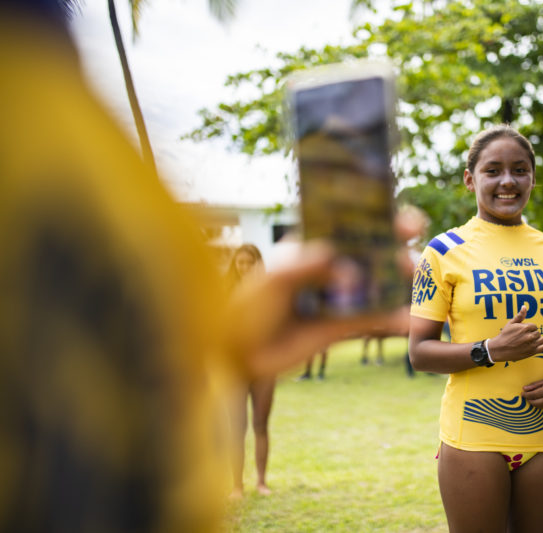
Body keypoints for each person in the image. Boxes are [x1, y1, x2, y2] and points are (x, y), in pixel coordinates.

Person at [0, 2, 421, 530]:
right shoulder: (28, 117)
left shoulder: (52, 100)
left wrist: (223, 347)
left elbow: (111, 387)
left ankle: (253, 477)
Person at [408, 125, 543, 533]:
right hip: (474, 435)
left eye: (519, 170)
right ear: (471, 179)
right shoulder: (443, 251)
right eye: (493, 170)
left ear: (532, 179)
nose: (507, 181)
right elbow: (419, 352)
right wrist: (489, 350)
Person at [225, 244, 277, 497]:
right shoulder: (226, 293)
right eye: (240, 262)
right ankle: (237, 485)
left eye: (249, 262)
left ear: (258, 264)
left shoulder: (270, 292)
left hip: (264, 366)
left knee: (260, 424)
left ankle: (261, 481)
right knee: (237, 427)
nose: (244, 267)